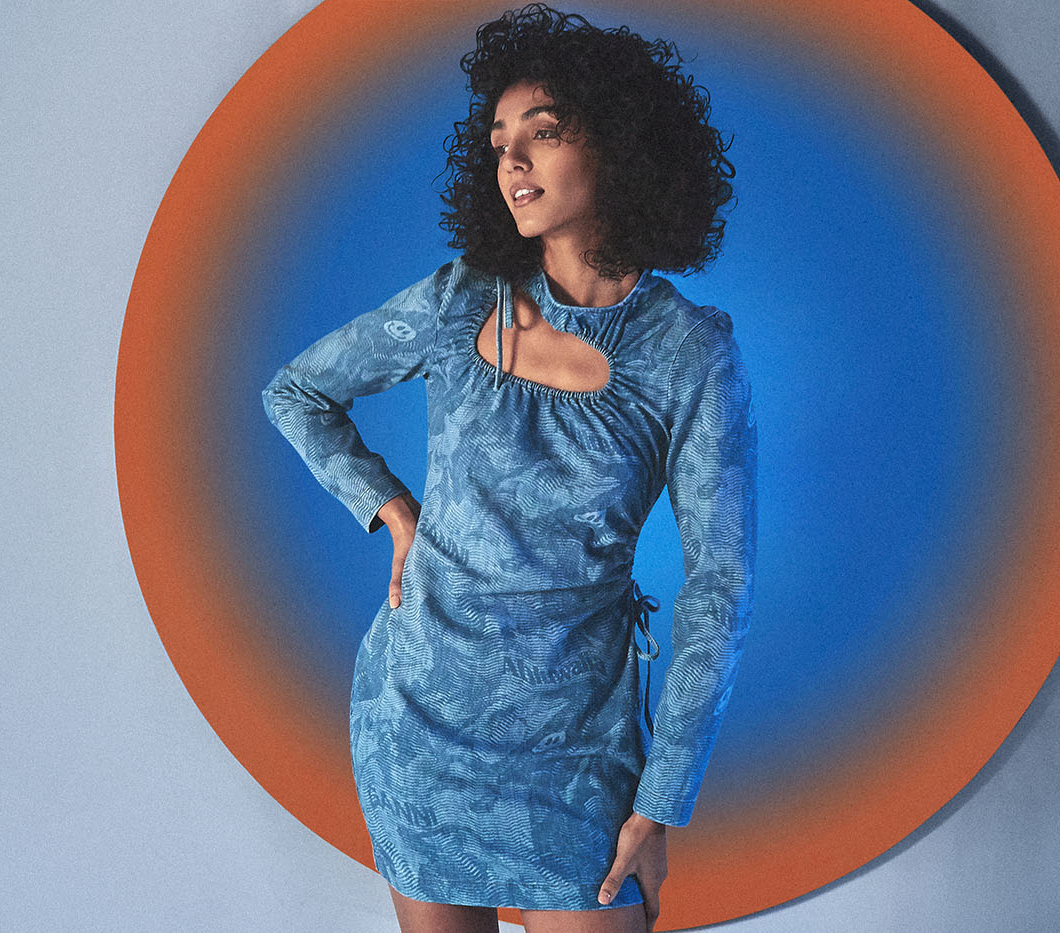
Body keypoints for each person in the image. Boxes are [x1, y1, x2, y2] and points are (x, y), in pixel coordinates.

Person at [261, 4, 756, 931]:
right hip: (416, 722)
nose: (513, 162)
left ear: (621, 147)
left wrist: (661, 801)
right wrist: (391, 509)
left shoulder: (690, 353)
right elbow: (297, 392)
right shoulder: (458, 300)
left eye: (544, 132)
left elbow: (719, 586)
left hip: (575, 754)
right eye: (498, 145)